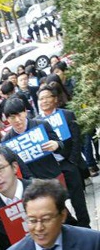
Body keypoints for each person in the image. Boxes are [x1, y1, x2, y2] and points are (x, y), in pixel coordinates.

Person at [36, 81, 91, 227]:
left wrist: (72, 161)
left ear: (55, 99)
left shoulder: (67, 115)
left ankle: (86, 227)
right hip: (51, 169)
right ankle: (72, 226)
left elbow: (76, 139)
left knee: (78, 200)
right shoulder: (36, 123)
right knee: (56, 202)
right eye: (41, 99)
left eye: (47, 97)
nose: (44, 101)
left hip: (69, 163)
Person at [1, 97, 63, 181]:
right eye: (12, 117)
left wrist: (56, 145)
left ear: (25, 112)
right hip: (31, 184)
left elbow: (61, 145)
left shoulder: (41, 125)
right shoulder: (6, 141)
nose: (17, 120)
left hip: (53, 176)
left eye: (19, 115)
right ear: (7, 119)